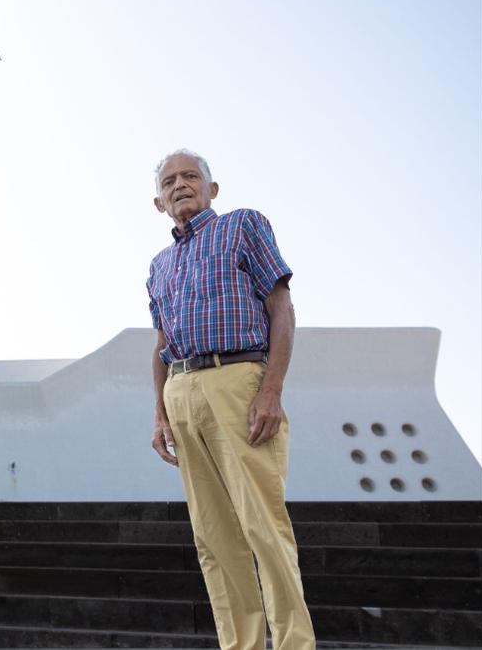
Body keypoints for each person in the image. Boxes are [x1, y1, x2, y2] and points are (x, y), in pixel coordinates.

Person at [146, 149, 315, 650]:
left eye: (191, 176)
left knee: (264, 525)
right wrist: (159, 412)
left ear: (211, 189)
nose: (181, 184)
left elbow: (281, 309)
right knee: (214, 540)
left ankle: (293, 645)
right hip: (180, 390)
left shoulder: (243, 225)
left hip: (238, 379)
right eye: (170, 180)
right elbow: (159, 345)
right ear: (158, 202)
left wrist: (272, 389)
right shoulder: (158, 266)